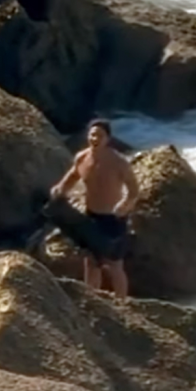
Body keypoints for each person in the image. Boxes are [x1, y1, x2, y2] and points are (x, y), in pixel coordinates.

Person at [50, 119, 139, 298]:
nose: (95, 138)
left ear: (108, 138)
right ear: (87, 136)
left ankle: (122, 305)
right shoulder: (82, 158)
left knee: (114, 265)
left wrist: (126, 203)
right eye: (92, 134)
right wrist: (59, 189)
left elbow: (134, 189)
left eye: (100, 135)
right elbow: (71, 177)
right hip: (91, 216)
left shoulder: (119, 162)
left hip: (114, 218)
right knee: (90, 262)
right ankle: (92, 300)